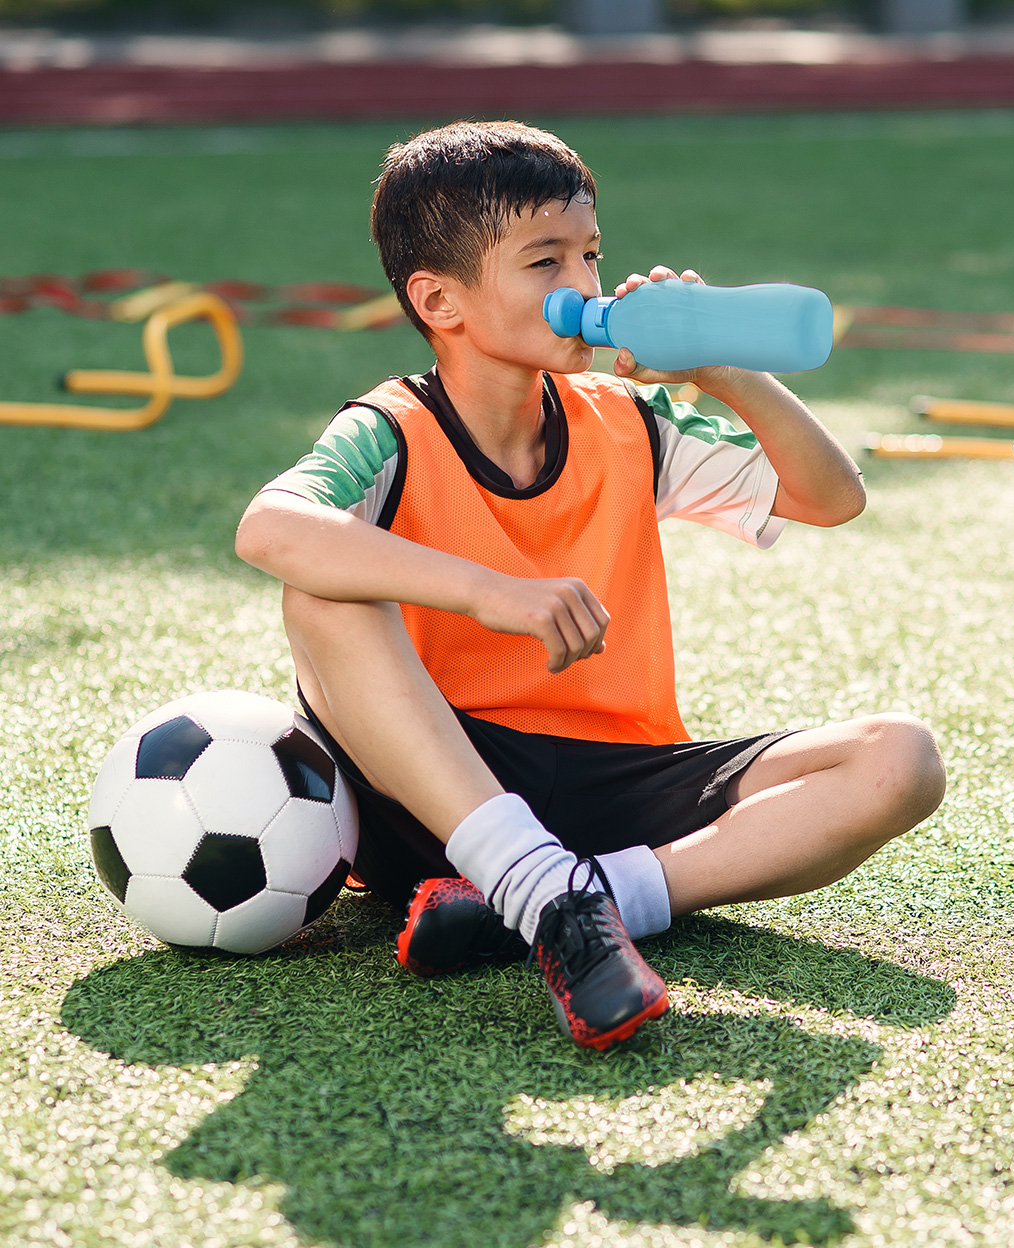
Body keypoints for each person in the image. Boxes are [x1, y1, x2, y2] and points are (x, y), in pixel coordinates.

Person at [235, 119, 946, 1051]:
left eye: (591, 254)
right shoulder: (392, 429)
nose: (583, 285)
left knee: (901, 761)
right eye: (545, 261)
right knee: (320, 591)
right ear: (440, 301)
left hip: (614, 780)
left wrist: (724, 375)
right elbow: (270, 528)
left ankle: (570, 899)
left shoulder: (628, 418)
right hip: (445, 787)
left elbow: (832, 497)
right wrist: (488, 590)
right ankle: (525, 872)